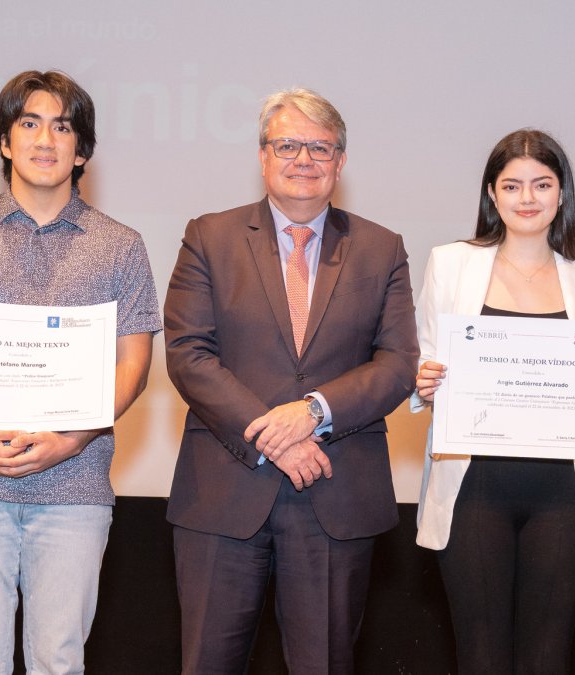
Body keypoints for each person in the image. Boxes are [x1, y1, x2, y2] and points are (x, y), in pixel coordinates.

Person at [0, 70, 161, 673]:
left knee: (59, 662)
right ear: (5, 141)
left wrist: (71, 438)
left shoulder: (121, 245)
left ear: (82, 149)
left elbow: (134, 362)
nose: (46, 140)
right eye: (30, 123)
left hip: (75, 487)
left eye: (63, 127)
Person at [163, 88, 419, 674]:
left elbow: (398, 362)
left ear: (340, 162)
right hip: (223, 494)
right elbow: (188, 353)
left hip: (335, 493)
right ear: (263, 156)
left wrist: (312, 411)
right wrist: (271, 435)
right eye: (287, 146)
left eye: (320, 148)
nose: (304, 159)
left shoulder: (382, 248)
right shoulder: (209, 237)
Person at [412, 129, 575, 674]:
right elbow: (422, 359)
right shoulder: (450, 264)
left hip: (563, 494)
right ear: (492, 194)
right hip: (473, 488)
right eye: (512, 185)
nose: (527, 198)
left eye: (542, 184)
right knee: (480, 657)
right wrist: (422, 380)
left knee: (548, 657)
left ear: (561, 194)